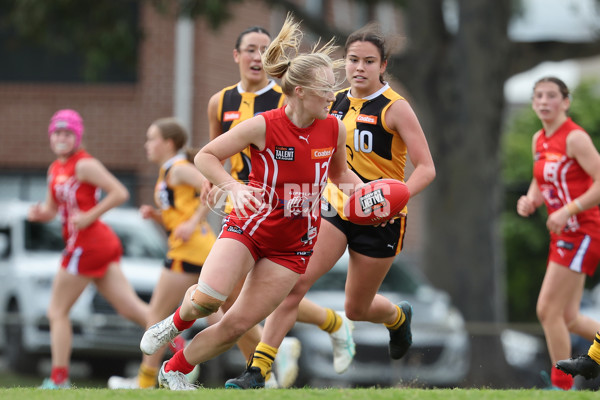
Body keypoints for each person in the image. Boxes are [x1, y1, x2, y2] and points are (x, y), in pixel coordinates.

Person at [138, 13, 365, 391]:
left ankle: (173, 371)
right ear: (300, 92)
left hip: (294, 245)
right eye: (326, 88)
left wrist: (369, 192)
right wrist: (233, 186)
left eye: (333, 88)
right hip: (249, 226)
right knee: (208, 302)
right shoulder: (264, 124)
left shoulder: (334, 127)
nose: (333, 95)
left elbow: (340, 176)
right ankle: (173, 323)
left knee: (237, 326)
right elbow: (205, 156)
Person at [225, 22, 436, 389]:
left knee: (356, 308)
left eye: (369, 61)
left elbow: (427, 169)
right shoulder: (331, 99)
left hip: (380, 217)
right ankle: (258, 371)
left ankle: (398, 318)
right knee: (295, 284)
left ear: (383, 65)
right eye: (353, 59)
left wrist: (393, 199)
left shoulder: (395, 108)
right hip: (336, 207)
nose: (359, 67)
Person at [207, 25, 356, 387]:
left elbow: (305, 149)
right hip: (241, 202)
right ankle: (270, 360)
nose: (257, 57)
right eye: (250, 49)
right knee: (229, 298)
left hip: (281, 206)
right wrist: (215, 183)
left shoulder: (288, 96)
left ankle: (268, 361)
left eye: (263, 49)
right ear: (236, 56)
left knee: (248, 296)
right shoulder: (221, 100)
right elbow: (215, 150)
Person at [29, 109, 150, 389]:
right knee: (129, 308)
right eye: (57, 133)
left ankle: (59, 378)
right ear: (51, 136)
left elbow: (120, 192)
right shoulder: (55, 168)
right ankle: (180, 349)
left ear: (77, 136)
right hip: (94, 245)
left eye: (67, 133)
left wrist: (90, 215)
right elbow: (51, 208)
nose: (61, 138)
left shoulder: (84, 164)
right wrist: (40, 214)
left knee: (57, 311)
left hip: (87, 245)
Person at [107, 118, 218, 389]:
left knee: (155, 316)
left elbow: (212, 186)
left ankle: (148, 380)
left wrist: (192, 223)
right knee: (221, 317)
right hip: (194, 248)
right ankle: (267, 356)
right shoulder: (168, 170)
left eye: (151, 138)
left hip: (189, 251)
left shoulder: (179, 169)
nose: (147, 145)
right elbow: (179, 212)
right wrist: (157, 216)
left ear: (168, 143)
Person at [516, 77, 600, 390]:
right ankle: (564, 385)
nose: (544, 101)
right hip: (563, 235)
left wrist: (568, 209)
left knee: (546, 310)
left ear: (565, 102)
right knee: (568, 317)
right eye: (538, 95)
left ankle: (561, 386)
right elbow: (541, 179)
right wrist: (530, 199)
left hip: (583, 231)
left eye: (552, 96)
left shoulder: (575, 138)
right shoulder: (539, 138)